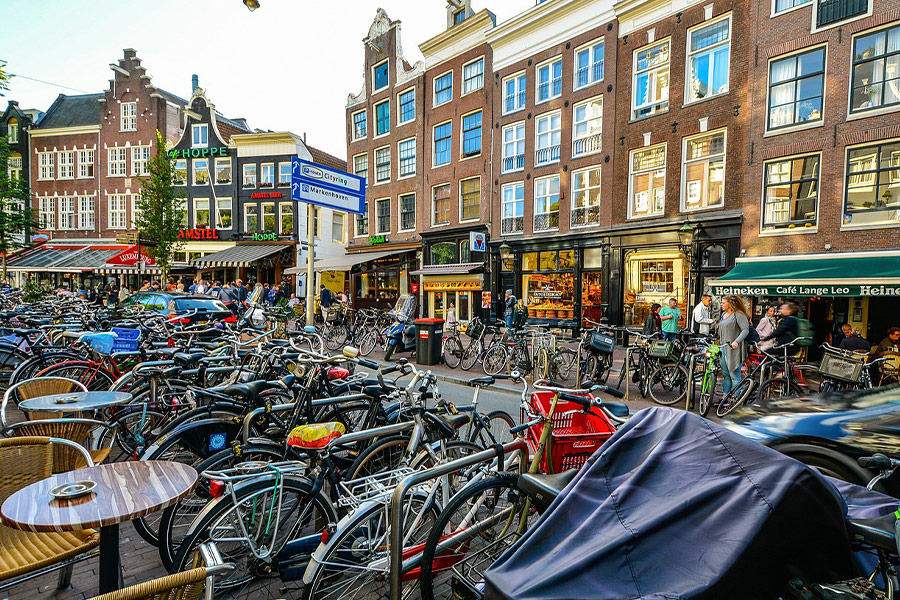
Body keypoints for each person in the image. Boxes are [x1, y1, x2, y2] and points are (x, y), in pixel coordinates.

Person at [718, 295, 751, 395]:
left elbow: (745, 330)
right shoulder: (723, 314)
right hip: (723, 347)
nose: (721, 304)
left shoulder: (739, 314)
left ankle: (735, 399)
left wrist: (736, 341)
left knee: (734, 376)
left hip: (734, 349)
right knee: (726, 375)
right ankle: (725, 397)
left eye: (723, 303)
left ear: (730, 304)